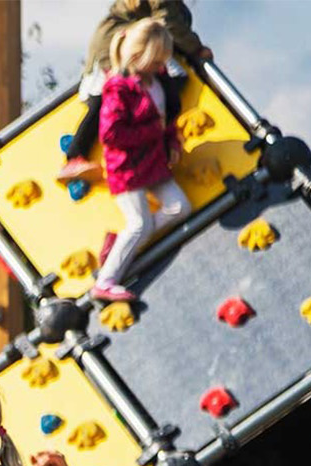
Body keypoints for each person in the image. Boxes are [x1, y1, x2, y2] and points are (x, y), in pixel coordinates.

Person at [88, 19, 191, 303]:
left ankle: (123, 249)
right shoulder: (119, 88)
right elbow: (110, 133)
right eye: (156, 60)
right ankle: (106, 281)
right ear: (138, 56)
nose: (160, 66)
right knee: (138, 225)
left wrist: (169, 141)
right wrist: (152, 133)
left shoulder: (156, 83)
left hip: (154, 162)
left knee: (179, 207)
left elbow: (165, 119)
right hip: (127, 168)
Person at [57, 0, 209, 184]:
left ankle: (153, 139)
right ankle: (77, 154)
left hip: (129, 40)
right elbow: (167, 23)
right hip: (123, 43)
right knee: (169, 79)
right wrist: (196, 49)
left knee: (153, 84)